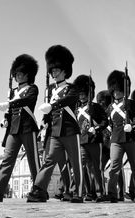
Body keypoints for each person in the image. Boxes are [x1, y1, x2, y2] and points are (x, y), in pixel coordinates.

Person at [27, 44, 84, 203]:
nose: (53, 73)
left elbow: (70, 100)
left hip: (70, 130)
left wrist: (53, 105)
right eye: (52, 70)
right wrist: (43, 123)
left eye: (56, 70)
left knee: (75, 162)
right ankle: (38, 189)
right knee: (49, 160)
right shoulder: (50, 91)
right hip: (54, 132)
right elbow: (48, 113)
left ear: (64, 70)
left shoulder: (72, 88)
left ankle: (77, 192)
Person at [0, 54, 40, 202]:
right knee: (7, 159)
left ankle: (40, 190)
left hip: (28, 127)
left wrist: (10, 103)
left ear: (28, 74)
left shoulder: (32, 89)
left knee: (33, 161)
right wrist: (5, 120)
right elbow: (10, 113)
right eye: (16, 74)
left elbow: (28, 101)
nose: (18, 76)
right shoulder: (13, 92)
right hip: (14, 129)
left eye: (21, 73)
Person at [105, 70, 135, 203]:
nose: (116, 92)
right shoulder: (110, 107)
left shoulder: (131, 103)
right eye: (114, 90)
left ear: (124, 89)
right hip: (116, 139)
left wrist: (132, 126)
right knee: (114, 166)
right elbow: (108, 122)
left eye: (118, 89)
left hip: (130, 138)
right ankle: (112, 192)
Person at [74, 74, 108, 202]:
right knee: (82, 167)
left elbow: (105, 122)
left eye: (84, 93)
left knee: (96, 168)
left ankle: (100, 193)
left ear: (89, 93)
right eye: (80, 94)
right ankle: (85, 193)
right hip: (81, 141)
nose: (82, 96)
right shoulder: (76, 109)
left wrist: (97, 128)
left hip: (94, 140)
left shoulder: (96, 107)